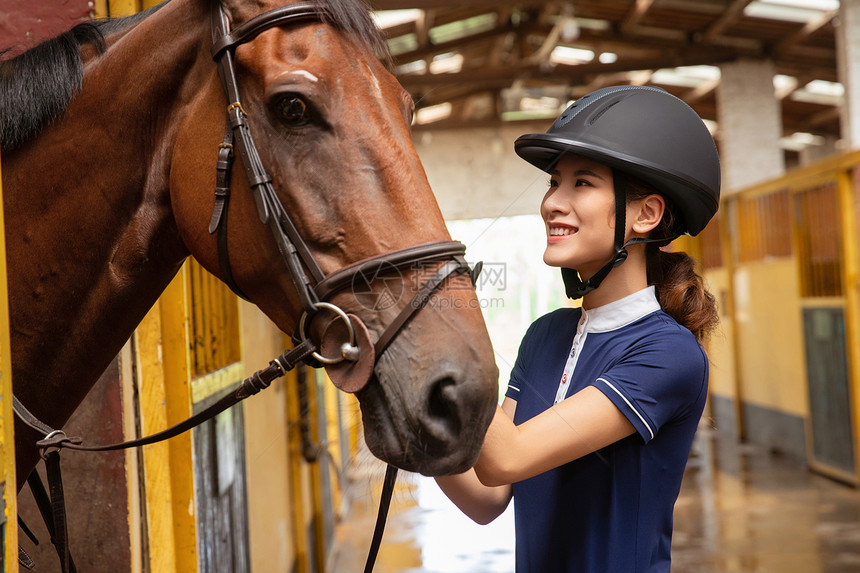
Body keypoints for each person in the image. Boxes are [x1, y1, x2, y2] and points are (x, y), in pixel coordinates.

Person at [436, 85, 721, 572]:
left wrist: (439, 338)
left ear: (646, 215)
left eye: (582, 183)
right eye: (554, 182)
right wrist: (389, 380)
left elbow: (509, 455)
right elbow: (489, 494)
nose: (552, 203)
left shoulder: (667, 354)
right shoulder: (546, 335)